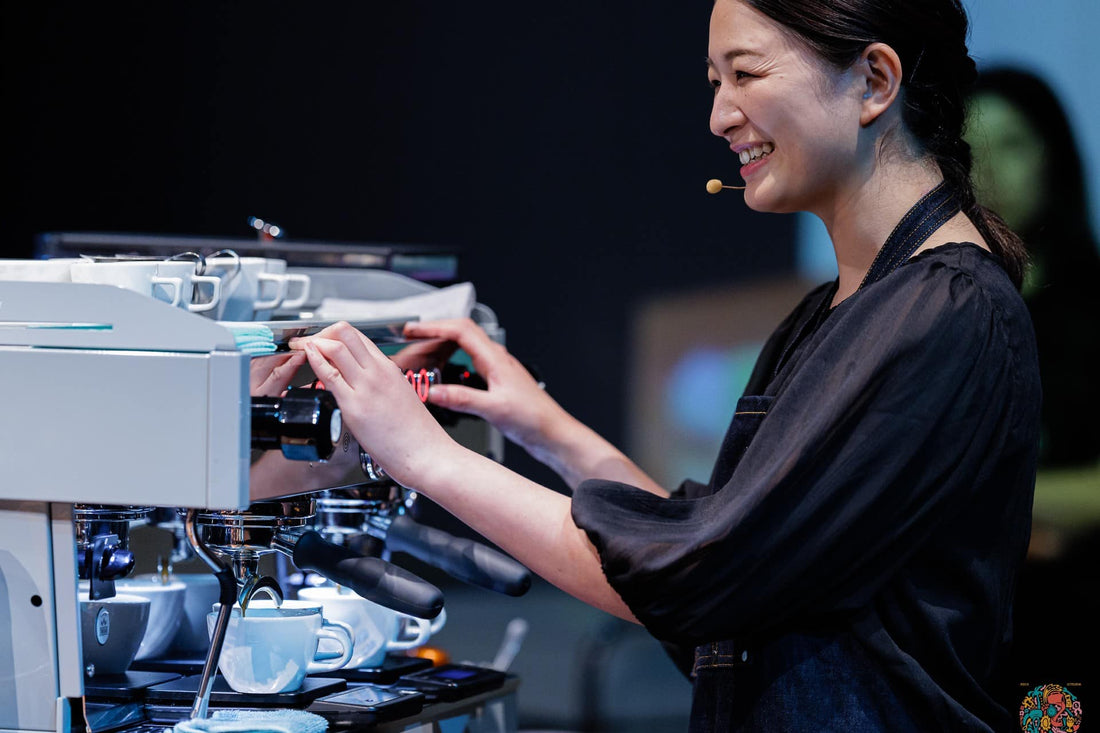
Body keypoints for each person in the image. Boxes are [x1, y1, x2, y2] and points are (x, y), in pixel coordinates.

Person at [289, 1, 1041, 729]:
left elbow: (702, 575)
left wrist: (426, 458)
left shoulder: (947, 311)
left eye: (745, 74)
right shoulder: (834, 313)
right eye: (715, 83)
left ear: (875, 81)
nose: (719, 116)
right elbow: (718, 564)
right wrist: (544, 428)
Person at [965, 66, 1100, 703]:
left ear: (1054, 155)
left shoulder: (1092, 310)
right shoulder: (937, 313)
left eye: (1012, 143)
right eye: (972, 149)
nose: (990, 170)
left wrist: (1011, 503)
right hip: (958, 640)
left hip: (1071, 625)